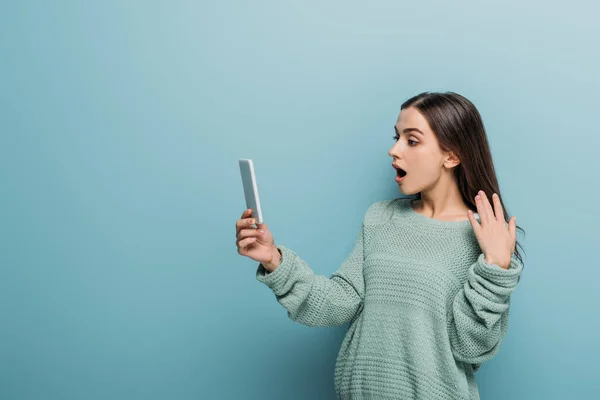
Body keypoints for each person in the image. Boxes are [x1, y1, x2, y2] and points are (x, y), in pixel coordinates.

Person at [235, 91, 526, 400]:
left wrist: (496, 268)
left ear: (451, 155)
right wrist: (273, 260)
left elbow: (471, 347)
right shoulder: (380, 217)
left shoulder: (484, 237)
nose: (394, 150)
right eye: (397, 137)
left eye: (411, 141)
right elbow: (338, 303)